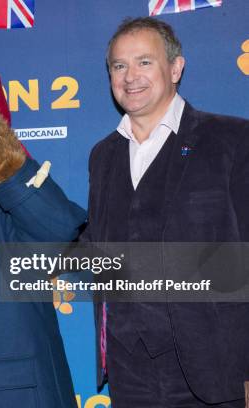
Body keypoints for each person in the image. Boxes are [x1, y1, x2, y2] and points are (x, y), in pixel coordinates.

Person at [83, 17, 249, 407]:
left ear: (175, 68)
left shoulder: (232, 140)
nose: (130, 76)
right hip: (129, 371)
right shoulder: (102, 156)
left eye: (144, 62)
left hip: (215, 370)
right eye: (118, 66)